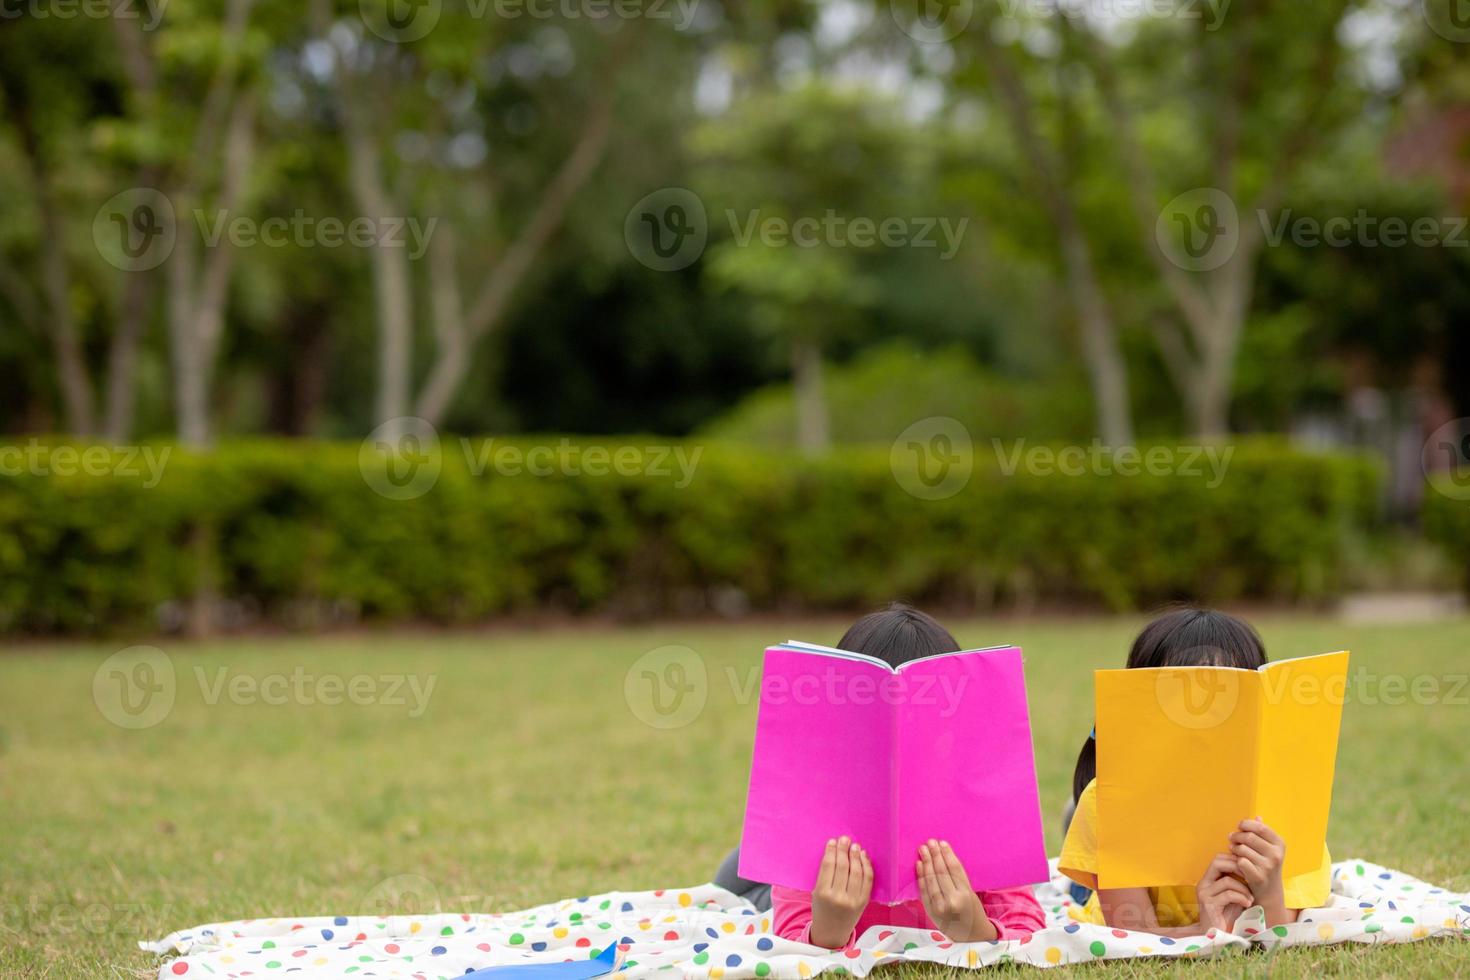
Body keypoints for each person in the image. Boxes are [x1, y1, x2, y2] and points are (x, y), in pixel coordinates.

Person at [715, 604, 1045, 947]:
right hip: (785, 890)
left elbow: (1031, 932)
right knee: (740, 884)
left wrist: (974, 928)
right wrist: (830, 929)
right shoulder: (810, 828)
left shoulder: (987, 822)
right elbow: (789, 944)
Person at [1058, 607, 1332, 935]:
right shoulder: (1107, 804)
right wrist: (1206, 929)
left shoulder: (1287, 799)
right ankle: (1079, 853)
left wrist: (1270, 890)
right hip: (1120, 892)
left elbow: (1284, 930)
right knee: (1080, 884)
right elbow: (1134, 936)